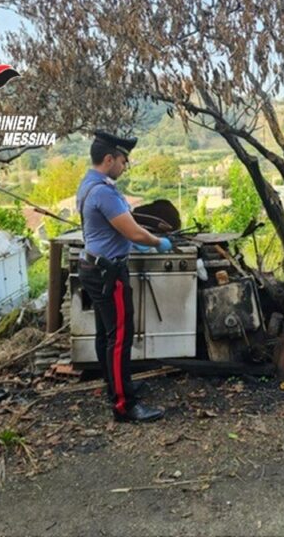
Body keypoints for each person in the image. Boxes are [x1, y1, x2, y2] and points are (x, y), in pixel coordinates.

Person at [76, 130, 173, 423]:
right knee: (119, 337)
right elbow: (132, 230)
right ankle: (123, 405)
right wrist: (156, 242)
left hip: (93, 266)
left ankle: (116, 385)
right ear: (109, 159)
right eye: (123, 161)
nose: (124, 166)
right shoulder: (105, 191)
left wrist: (132, 241)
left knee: (106, 334)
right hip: (109, 272)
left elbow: (113, 230)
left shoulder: (88, 184)